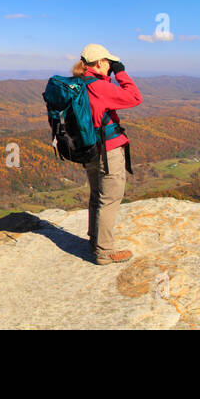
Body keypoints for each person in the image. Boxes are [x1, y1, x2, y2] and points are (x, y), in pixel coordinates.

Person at [71, 44, 141, 265]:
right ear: (100, 63)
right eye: (109, 63)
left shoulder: (79, 83)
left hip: (88, 149)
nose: (111, 67)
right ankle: (104, 251)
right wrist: (121, 72)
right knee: (110, 199)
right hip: (107, 151)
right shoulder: (99, 87)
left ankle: (94, 240)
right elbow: (134, 97)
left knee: (96, 195)